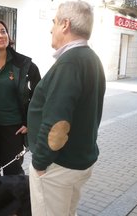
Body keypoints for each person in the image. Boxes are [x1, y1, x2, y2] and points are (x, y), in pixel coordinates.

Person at [27, 1, 106, 216]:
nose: (51, 28)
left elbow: (57, 124)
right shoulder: (92, 58)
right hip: (77, 161)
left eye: (54, 22)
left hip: (58, 166)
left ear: (65, 24)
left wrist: (40, 163)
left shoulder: (70, 63)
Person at [0, 20, 41, 177]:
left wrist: (30, 123)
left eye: (3, 31)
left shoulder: (25, 65)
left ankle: (14, 202)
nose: (0, 36)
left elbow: (40, 97)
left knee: (13, 173)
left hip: (14, 129)